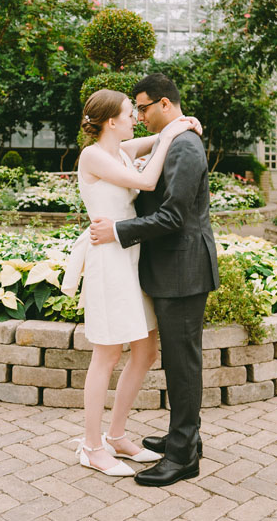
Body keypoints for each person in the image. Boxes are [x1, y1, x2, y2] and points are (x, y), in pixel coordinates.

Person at [89, 73, 218, 487]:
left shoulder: (184, 146)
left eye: (143, 108)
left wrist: (119, 232)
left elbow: (173, 216)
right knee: (179, 360)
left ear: (164, 104)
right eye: (133, 110)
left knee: (183, 363)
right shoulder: (172, 141)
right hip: (168, 269)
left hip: (183, 271)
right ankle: (184, 437)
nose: (139, 115)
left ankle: (183, 456)